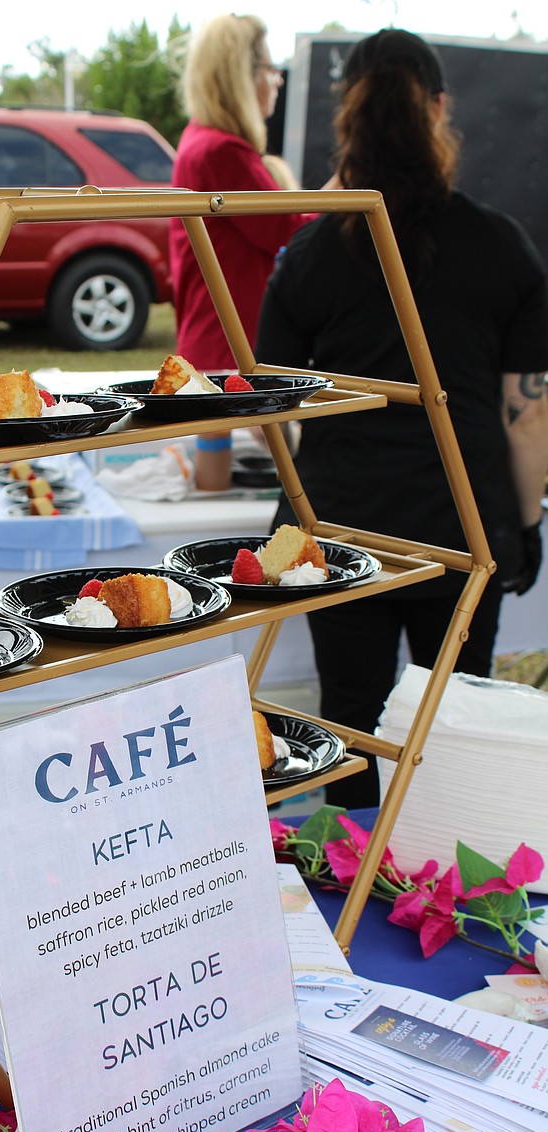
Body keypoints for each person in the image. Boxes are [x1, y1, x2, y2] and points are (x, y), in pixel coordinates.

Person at [255, 27, 548, 808]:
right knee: (452, 730)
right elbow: (527, 416)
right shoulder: (501, 246)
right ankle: (438, 896)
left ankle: (351, 909)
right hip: (467, 523)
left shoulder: (309, 254)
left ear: (344, 117)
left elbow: (268, 410)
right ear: (440, 110)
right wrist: (525, 526)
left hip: (344, 527)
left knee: (348, 729)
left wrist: (305, 500)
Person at [169, 13, 313, 491]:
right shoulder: (222, 152)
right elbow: (288, 228)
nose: (276, 81)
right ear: (241, 76)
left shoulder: (200, 143)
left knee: (222, 454)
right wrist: (345, 202)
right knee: (272, 460)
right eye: (271, 70)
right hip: (231, 338)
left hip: (212, 333)